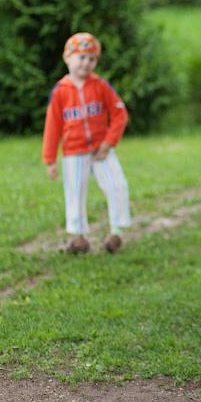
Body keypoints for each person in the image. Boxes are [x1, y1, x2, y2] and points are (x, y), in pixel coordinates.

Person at [42, 32, 131, 254]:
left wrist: (109, 142)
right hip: (74, 152)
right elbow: (52, 127)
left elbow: (120, 114)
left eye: (91, 58)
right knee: (75, 192)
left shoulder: (100, 86)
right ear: (67, 58)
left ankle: (116, 232)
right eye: (81, 57)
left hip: (101, 150)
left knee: (117, 185)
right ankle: (78, 237)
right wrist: (50, 160)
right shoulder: (61, 91)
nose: (86, 63)